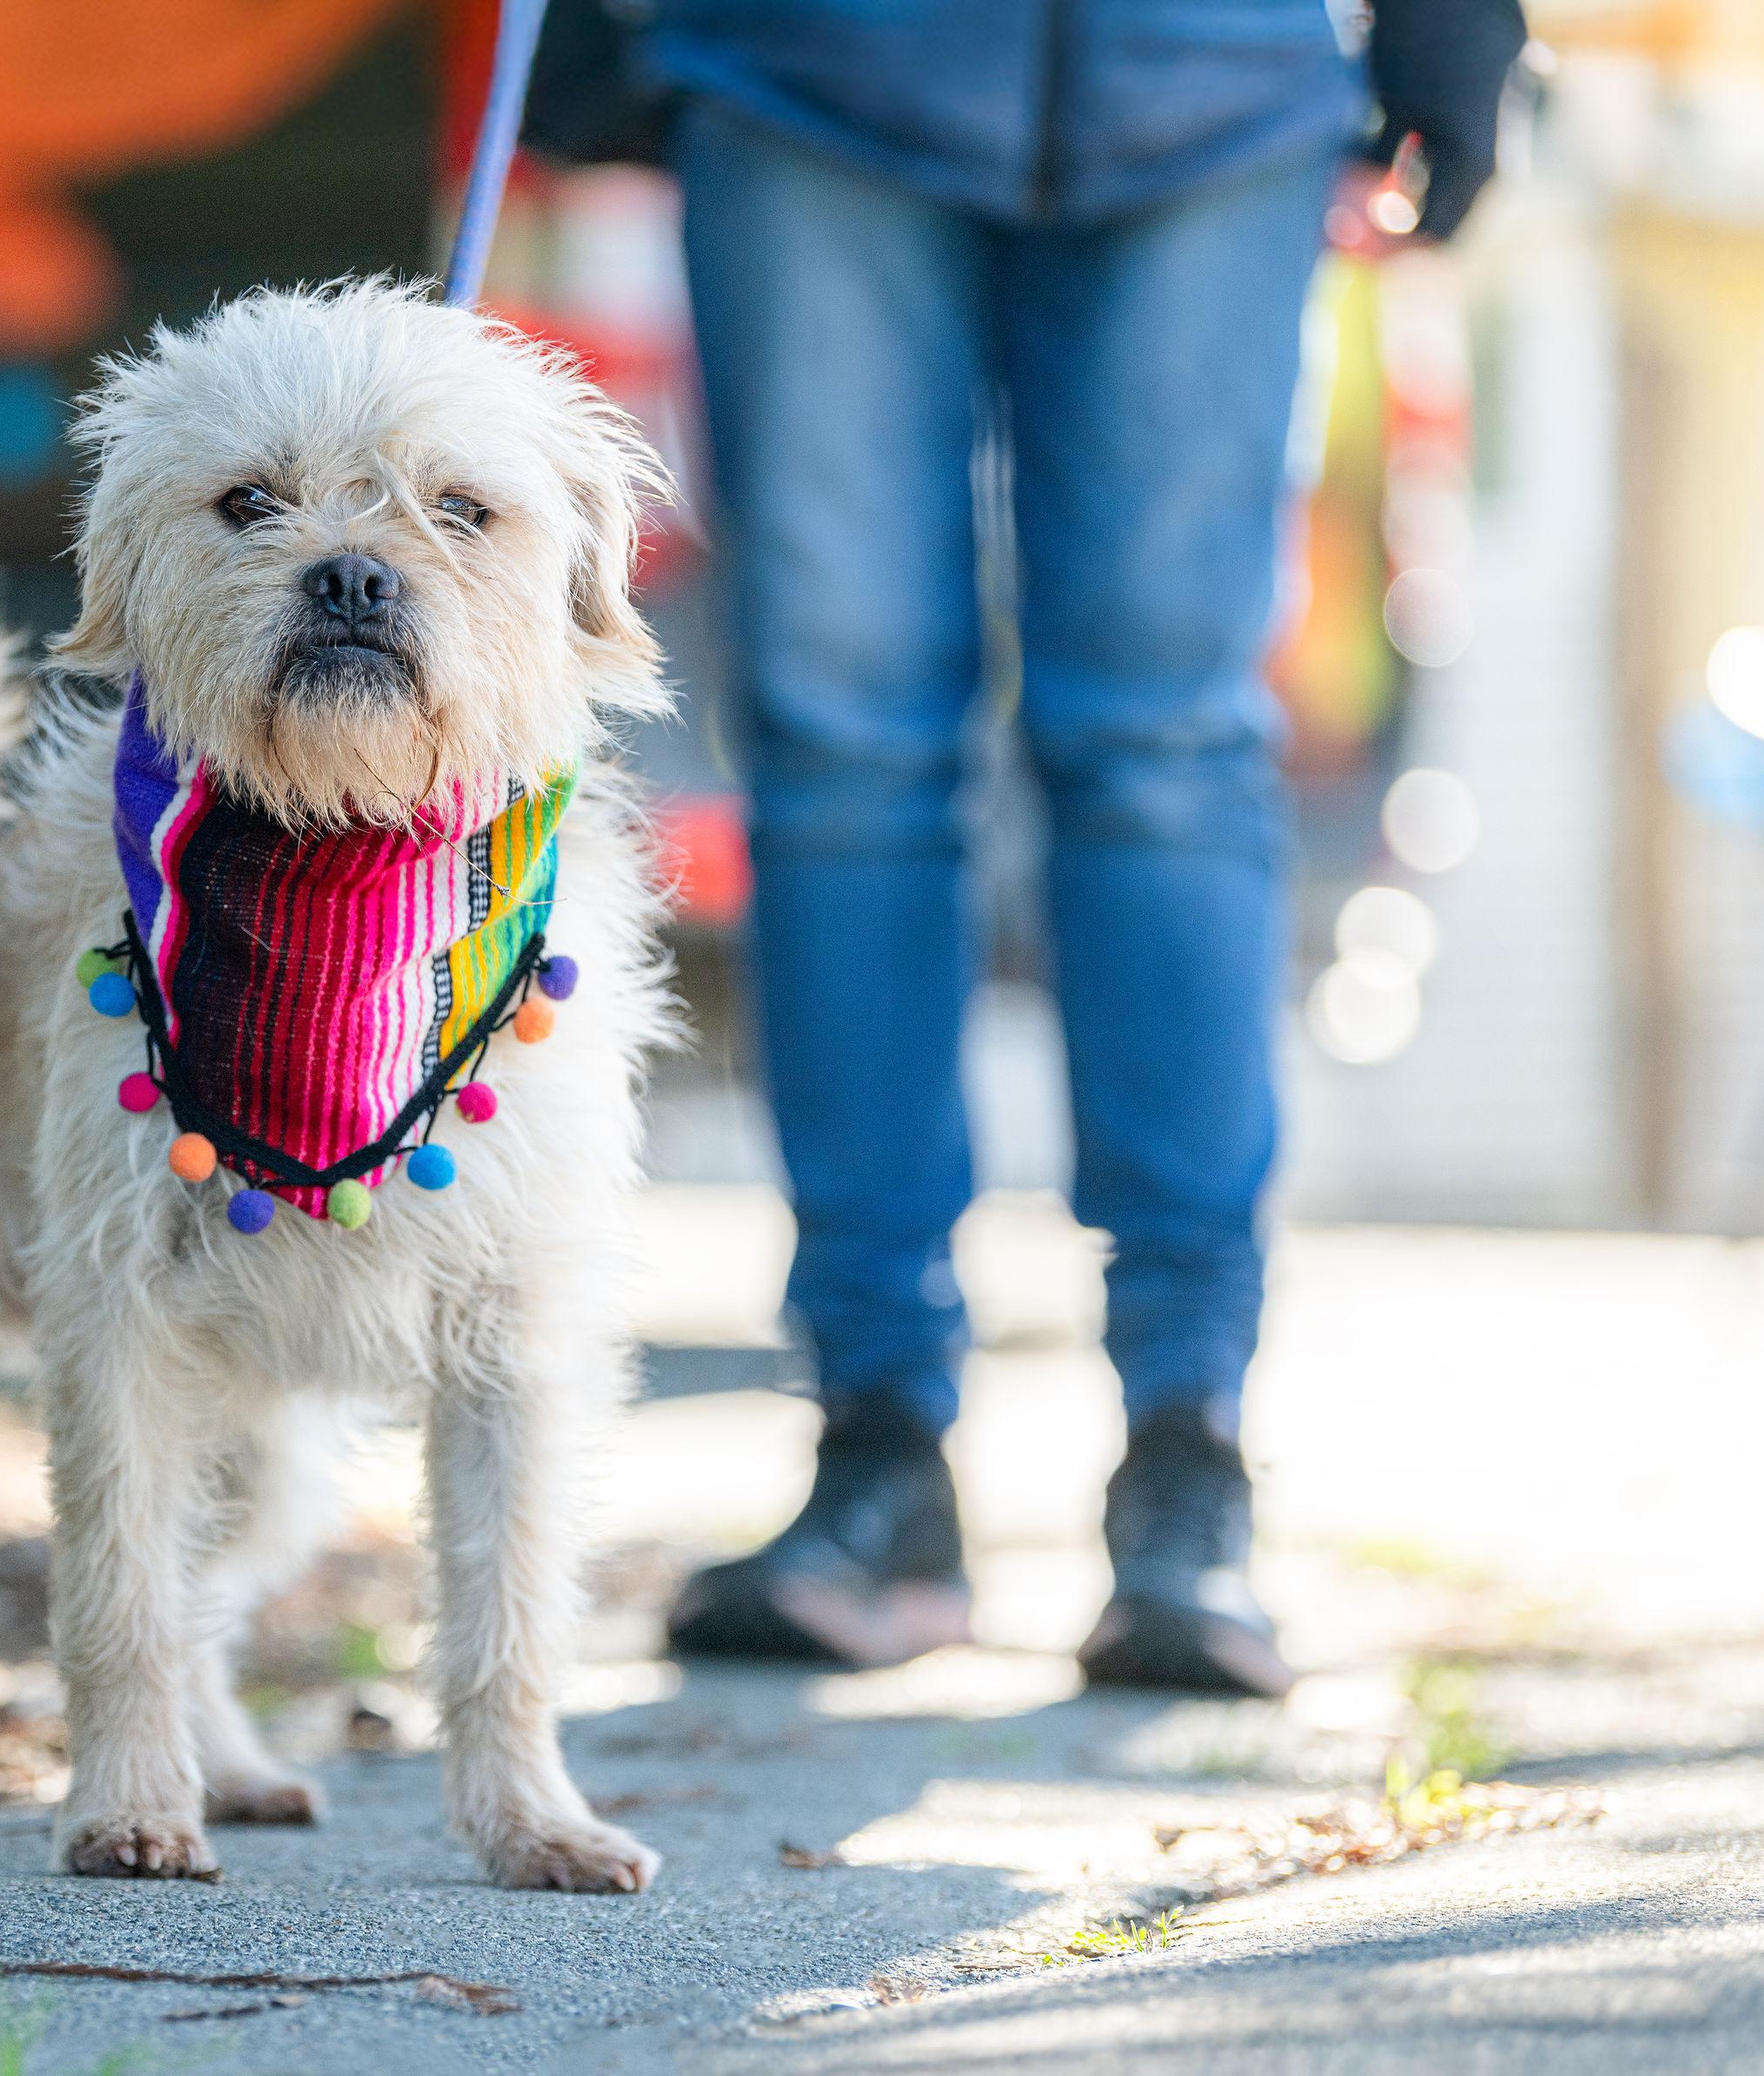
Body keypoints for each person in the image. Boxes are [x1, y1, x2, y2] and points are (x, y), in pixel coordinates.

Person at [607, 0, 1531, 1691]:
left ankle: (1190, 1457)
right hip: (815, 67)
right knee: (838, 754)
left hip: (1206, 77)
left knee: (1165, 749)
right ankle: (877, 1446)